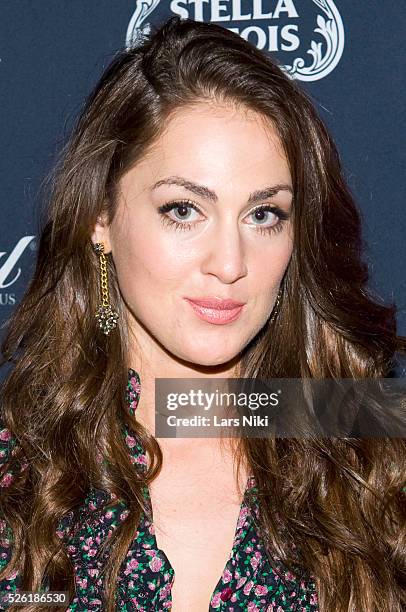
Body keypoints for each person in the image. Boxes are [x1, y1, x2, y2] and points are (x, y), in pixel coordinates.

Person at [0, 15, 405, 612]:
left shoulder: (374, 452)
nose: (230, 263)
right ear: (101, 218)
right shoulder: (21, 463)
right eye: (184, 209)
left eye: (264, 215)